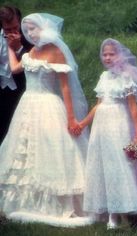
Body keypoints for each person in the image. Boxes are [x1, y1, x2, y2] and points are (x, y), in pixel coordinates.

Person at [0, 13, 92, 227]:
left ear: (46, 28)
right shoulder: (33, 50)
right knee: (23, 147)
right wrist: (12, 50)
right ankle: (23, 200)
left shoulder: (56, 51)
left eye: (34, 29)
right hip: (27, 105)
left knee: (50, 147)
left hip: (48, 105)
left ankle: (58, 201)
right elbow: (15, 69)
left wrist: (71, 118)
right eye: (28, 29)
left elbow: (66, 87)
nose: (30, 33)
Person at [78, 38, 137, 229]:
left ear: (120, 55)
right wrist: (83, 123)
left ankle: (124, 211)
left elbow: (133, 107)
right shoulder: (103, 76)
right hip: (102, 125)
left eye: (111, 54)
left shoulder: (126, 76)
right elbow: (98, 105)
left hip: (119, 123)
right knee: (105, 163)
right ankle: (112, 213)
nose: (107, 57)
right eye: (104, 54)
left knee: (120, 164)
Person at [0, 5, 32, 145]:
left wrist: (18, 48)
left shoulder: (29, 36)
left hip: (20, 88)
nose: (13, 32)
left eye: (15, 27)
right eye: (8, 29)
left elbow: (34, 62)